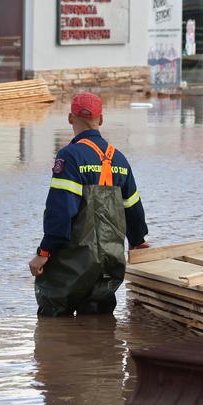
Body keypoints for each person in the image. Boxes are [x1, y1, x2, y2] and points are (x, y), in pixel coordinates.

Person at [29, 92, 148, 316]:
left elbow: (61, 210)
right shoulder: (120, 159)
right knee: (100, 324)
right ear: (100, 120)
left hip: (73, 262)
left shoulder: (70, 156)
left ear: (70, 118)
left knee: (54, 324)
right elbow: (132, 206)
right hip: (110, 262)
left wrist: (44, 252)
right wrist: (138, 241)